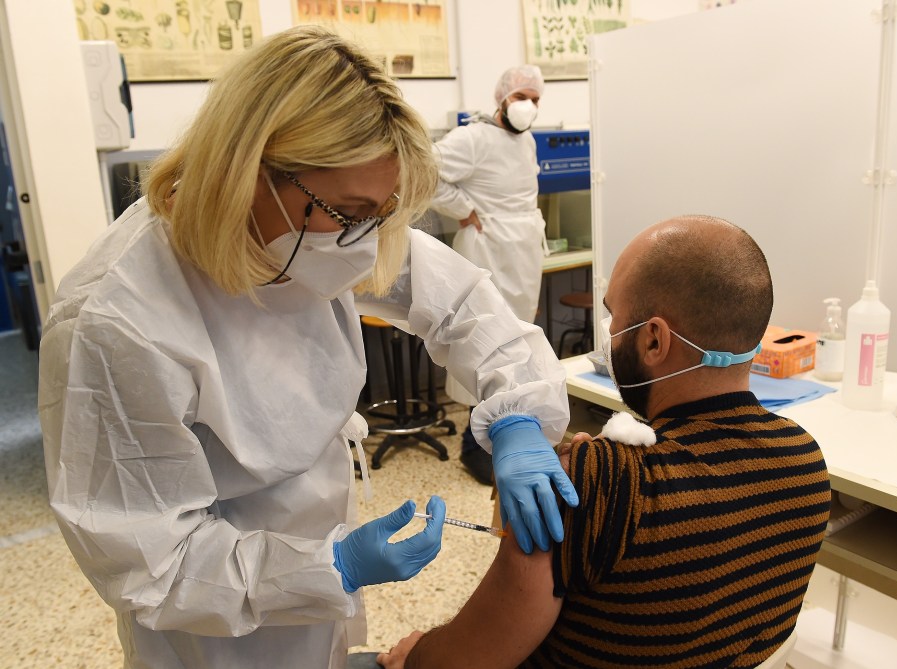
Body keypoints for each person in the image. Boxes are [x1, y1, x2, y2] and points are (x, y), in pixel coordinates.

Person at [37, 27, 577, 669]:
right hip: (210, 625)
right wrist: (330, 566)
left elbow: (462, 304)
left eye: (382, 214)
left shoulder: (324, 225)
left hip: (317, 572)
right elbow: (157, 566)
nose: (367, 241)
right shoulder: (115, 323)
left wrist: (517, 412)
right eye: (350, 213)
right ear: (251, 171)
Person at [378, 215, 833, 669]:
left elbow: (464, 661)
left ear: (654, 339)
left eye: (614, 317)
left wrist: (415, 653)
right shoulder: (807, 463)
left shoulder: (598, 481)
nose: (609, 334)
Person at [430, 64, 547, 485]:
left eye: (535, 99)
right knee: (483, 343)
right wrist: (465, 210)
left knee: (520, 346)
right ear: (501, 99)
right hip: (487, 249)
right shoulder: (473, 138)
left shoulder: (528, 141)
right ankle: (472, 443)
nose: (528, 107)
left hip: (522, 252)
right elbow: (426, 170)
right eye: (520, 98)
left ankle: (506, 434)